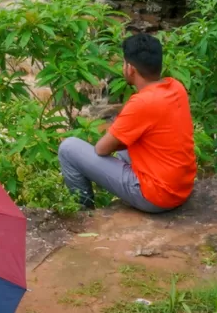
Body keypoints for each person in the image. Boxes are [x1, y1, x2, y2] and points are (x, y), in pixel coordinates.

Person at [57, 33, 195, 213]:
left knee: (68, 148)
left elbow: (101, 149)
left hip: (157, 196)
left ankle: (84, 213)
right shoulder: (175, 86)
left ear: (130, 68)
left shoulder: (141, 103)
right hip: (182, 187)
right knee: (128, 146)